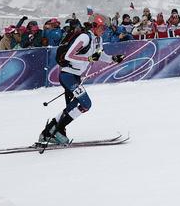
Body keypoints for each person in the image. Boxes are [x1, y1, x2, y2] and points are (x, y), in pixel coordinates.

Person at [39, 13, 124, 146]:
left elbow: (100, 55)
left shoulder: (98, 40)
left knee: (72, 106)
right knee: (86, 104)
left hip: (75, 76)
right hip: (68, 75)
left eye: (107, 28)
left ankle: (47, 133)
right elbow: (69, 55)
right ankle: (57, 130)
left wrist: (113, 58)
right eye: (103, 27)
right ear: (95, 25)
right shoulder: (85, 37)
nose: (105, 30)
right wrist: (88, 59)